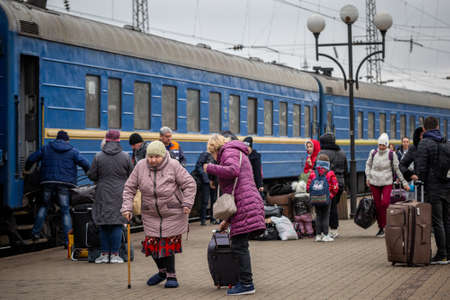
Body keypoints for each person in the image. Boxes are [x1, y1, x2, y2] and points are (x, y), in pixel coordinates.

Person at [121, 141, 196, 287]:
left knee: (167, 245)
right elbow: (129, 188)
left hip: (172, 211)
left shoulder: (173, 165)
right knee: (152, 245)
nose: (153, 160)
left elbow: (189, 184)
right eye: (150, 156)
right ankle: (162, 272)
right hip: (151, 213)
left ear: (163, 156)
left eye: (156, 156)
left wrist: (187, 203)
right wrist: (126, 208)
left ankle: (171, 277)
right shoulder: (141, 166)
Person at [204, 134, 265, 296]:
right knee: (240, 244)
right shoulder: (235, 151)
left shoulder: (228, 152)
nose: (214, 158)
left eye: (212, 155)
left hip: (244, 202)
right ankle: (243, 281)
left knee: (239, 246)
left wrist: (210, 167)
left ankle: (246, 284)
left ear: (215, 149)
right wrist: (227, 221)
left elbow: (232, 171)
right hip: (244, 202)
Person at [24, 130, 90, 246]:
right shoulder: (72, 151)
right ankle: (67, 241)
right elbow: (85, 163)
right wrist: (88, 173)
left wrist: (27, 169)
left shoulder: (46, 148)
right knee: (65, 211)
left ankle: (35, 233)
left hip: (48, 182)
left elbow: (31, 158)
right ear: (67, 140)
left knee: (44, 206)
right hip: (64, 184)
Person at [87, 130, 133, 264]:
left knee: (103, 224)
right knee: (117, 224)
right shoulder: (125, 156)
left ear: (106, 140)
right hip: (120, 193)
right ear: (119, 140)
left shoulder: (98, 156)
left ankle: (104, 254)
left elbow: (93, 175)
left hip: (102, 193)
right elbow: (132, 174)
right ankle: (115, 254)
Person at [416, 116, 450, 265]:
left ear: (424, 129)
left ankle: (442, 254)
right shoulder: (446, 142)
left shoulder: (425, 143)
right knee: (447, 220)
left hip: (433, 188)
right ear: (437, 126)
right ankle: (448, 253)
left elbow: (421, 167)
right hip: (447, 187)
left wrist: (420, 180)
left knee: (437, 222)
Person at [365, 133, 410, 238]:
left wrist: (404, 182)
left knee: (385, 203)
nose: (381, 147)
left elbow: (397, 169)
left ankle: (385, 223)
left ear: (387, 145)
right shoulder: (373, 153)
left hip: (387, 182)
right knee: (377, 205)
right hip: (374, 182)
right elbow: (368, 165)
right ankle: (381, 227)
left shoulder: (391, 154)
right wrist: (368, 177)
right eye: (380, 145)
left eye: (383, 145)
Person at [318, 133, 348, 238]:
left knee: (328, 207)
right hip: (339, 183)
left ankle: (328, 230)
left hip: (327, 183)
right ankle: (334, 229)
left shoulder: (321, 153)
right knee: (334, 205)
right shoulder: (342, 153)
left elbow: (318, 169)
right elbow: (346, 170)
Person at [306, 154, 339, 242]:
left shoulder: (313, 173)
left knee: (318, 216)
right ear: (327, 164)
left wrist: (313, 194)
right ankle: (326, 235)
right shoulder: (330, 173)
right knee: (325, 216)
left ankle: (318, 235)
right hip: (326, 199)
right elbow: (335, 187)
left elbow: (308, 187)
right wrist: (330, 196)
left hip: (315, 199)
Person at [194, 151, 218, 225]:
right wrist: (207, 180)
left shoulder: (217, 155)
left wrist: (214, 181)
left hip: (213, 181)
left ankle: (213, 218)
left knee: (214, 200)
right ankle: (203, 220)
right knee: (205, 200)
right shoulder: (205, 155)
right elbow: (198, 166)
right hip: (205, 182)